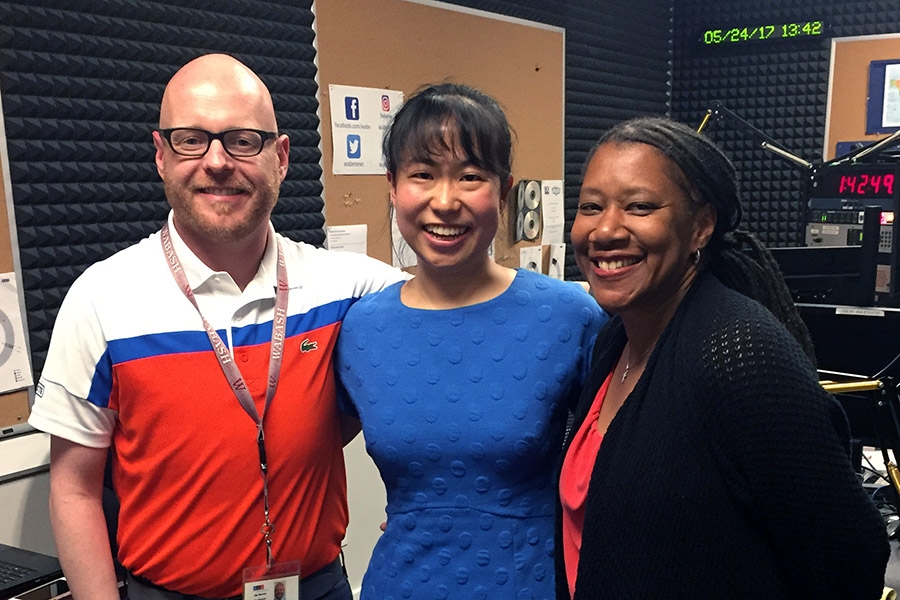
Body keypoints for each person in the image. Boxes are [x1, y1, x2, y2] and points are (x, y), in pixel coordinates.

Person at [27, 53, 406, 600]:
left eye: (242, 140)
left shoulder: (347, 289)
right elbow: (74, 488)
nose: (218, 161)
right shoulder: (102, 299)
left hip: (316, 588)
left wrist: (431, 504)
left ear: (280, 158)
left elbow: (455, 312)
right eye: (191, 139)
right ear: (160, 155)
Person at [557, 115, 891, 599]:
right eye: (591, 206)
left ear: (702, 227)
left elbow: (849, 556)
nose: (605, 229)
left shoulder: (741, 355)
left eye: (639, 206)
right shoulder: (616, 342)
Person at [334, 82, 606, 600]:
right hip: (401, 584)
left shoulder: (570, 317)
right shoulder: (361, 328)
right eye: (422, 175)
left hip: (529, 582)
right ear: (393, 187)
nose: (445, 201)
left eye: (470, 176)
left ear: (503, 191)